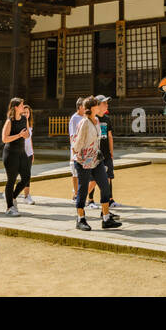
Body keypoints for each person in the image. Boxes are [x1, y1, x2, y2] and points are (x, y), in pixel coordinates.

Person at [71, 97, 120, 231]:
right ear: (92, 108)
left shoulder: (97, 120)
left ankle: (106, 218)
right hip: (83, 160)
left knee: (104, 186)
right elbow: (78, 142)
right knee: (82, 190)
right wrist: (76, 153)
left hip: (96, 159)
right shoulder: (84, 123)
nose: (100, 107)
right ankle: (80, 219)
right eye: (97, 105)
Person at [1, 98, 33, 216]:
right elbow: (4, 139)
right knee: (11, 180)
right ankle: (9, 207)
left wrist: (25, 135)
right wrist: (19, 135)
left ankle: (13, 197)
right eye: (21, 105)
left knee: (26, 177)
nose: (23, 106)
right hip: (10, 153)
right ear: (15, 107)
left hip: (21, 152)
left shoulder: (24, 119)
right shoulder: (10, 121)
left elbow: (28, 134)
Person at [87, 95, 114, 209]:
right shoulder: (92, 119)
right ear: (97, 105)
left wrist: (111, 152)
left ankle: (107, 203)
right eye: (104, 103)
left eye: (107, 103)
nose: (106, 105)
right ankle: (86, 199)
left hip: (106, 153)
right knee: (92, 181)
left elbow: (110, 136)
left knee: (107, 178)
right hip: (95, 154)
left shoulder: (107, 119)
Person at [67, 97, 88, 199]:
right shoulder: (74, 119)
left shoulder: (85, 117)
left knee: (83, 172)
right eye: (84, 106)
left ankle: (80, 192)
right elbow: (72, 135)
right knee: (75, 172)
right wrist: (74, 151)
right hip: (76, 149)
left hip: (85, 148)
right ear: (80, 107)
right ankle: (75, 193)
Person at [21, 108, 36, 206]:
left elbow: (29, 140)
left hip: (28, 153)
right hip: (20, 152)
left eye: (27, 112)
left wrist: (32, 152)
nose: (26, 114)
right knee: (15, 175)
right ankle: (9, 193)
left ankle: (27, 196)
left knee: (27, 175)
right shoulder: (19, 125)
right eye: (24, 112)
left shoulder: (30, 126)